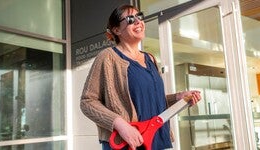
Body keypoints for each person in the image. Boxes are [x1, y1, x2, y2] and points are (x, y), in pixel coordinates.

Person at [80, 4, 201, 150]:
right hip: (127, 142)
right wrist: (120, 124)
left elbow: (150, 101)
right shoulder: (107, 57)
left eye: (140, 17)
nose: (138, 21)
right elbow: (87, 102)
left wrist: (178, 97)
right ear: (116, 30)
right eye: (130, 19)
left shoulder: (150, 58)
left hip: (158, 139)